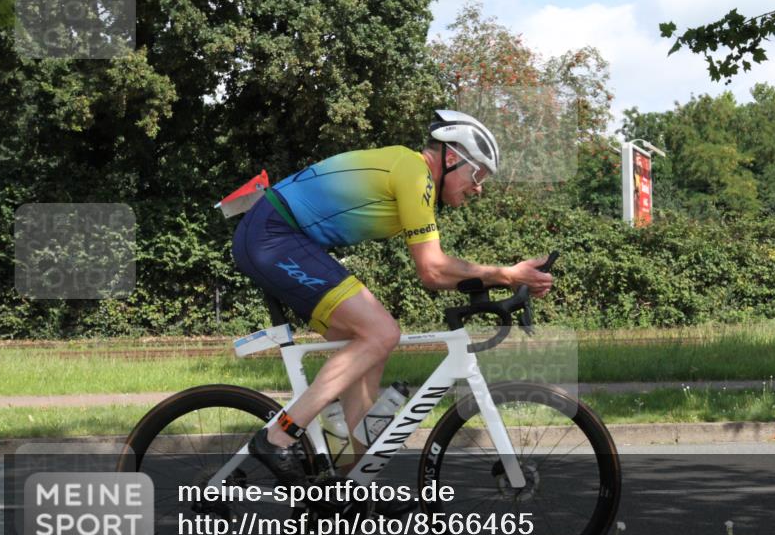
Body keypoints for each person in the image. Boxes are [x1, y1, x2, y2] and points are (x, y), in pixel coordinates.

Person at [231, 110, 554, 484]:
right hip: (273, 236)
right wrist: (506, 274)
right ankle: (278, 436)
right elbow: (432, 270)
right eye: (478, 173)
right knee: (382, 332)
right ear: (452, 157)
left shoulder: (415, 178)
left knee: (367, 349)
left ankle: (353, 484)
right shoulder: (414, 173)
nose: (479, 187)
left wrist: (498, 280)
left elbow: (439, 270)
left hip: (282, 238)